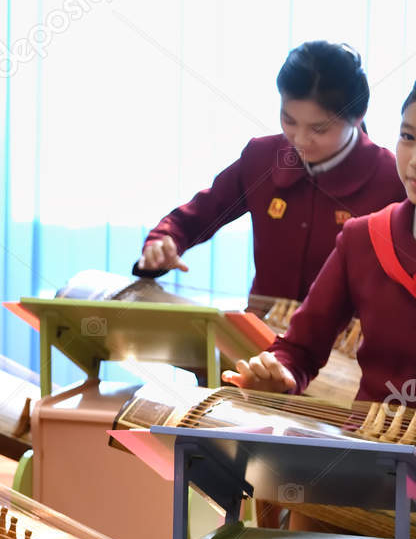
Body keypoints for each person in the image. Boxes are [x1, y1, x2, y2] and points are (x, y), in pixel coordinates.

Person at [137, 41, 402, 302]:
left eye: (319, 129)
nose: (299, 139)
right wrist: (162, 242)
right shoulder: (262, 157)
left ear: (358, 116)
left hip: (348, 344)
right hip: (259, 336)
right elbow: (195, 216)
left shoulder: (393, 179)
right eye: (289, 120)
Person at [225, 81, 416, 405]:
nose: (413, 161)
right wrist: (280, 373)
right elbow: (299, 350)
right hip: (370, 448)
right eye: (409, 137)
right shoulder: (365, 238)